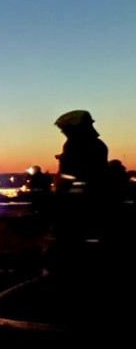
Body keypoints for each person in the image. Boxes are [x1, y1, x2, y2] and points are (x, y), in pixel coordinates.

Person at [47, 109, 110, 276]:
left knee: (69, 236)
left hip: (78, 202)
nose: (62, 131)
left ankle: (68, 270)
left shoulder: (77, 145)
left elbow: (75, 175)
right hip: (90, 199)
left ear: (75, 127)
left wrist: (63, 195)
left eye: (64, 128)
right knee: (88, 235)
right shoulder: (95, 145)